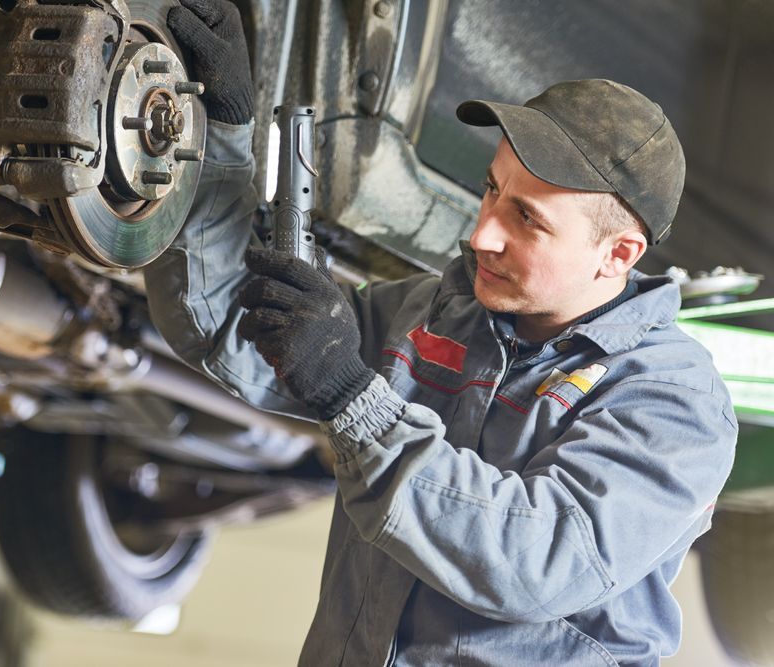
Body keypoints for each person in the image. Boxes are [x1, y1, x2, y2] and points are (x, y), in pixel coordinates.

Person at [149, 1, 737, 665]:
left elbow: (535, 559)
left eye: (528, 219)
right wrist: (220, 135)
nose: (483, 232)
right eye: (490, 190)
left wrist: (351, 395)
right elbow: (227, 330)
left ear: (618, 255)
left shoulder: (673, 402)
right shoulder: (430, 310)